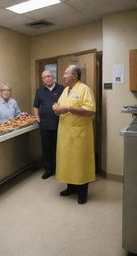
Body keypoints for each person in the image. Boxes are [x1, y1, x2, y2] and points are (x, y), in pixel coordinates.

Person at [53, 64, 96, 204]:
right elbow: (59, 105)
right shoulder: (66, 90)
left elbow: (90, 110)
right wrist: (56, 108)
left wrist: (70, 108)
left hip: (79, 134)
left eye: (66, 73)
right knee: (67, 161)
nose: (63, 76)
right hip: (65, 133)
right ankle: (70, 187)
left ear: (75, 76)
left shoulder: (84, 89)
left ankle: (82, 193)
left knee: (80, 162)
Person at [33, 70, 64, 179]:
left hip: (59, 124)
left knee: (58, 148)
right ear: (42, 80)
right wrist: (38, 118)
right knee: (47, 148)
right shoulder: (39, 91)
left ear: (53, 76)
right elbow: (36, 106)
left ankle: (60, 169)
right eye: (45, 77)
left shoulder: (61, 89)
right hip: (45, 125)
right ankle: (49, 169)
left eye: (49, 76)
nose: (48, 78)